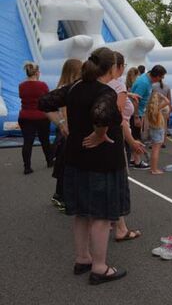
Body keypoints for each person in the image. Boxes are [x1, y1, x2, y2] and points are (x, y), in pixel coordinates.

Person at [39, 47, 129, 285]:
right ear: (111, 68)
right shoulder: (105, 91)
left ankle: (83, 258)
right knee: (100, 215)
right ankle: (100, 268)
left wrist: (61, 122)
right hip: (101, 160)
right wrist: (100, 133)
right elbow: (101, 115)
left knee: (81, 212)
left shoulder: (75, 87)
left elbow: (44, 101)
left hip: (76, 157)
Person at [108, 52, 146, 240]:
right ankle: (120, 226)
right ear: (120, 67)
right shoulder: (118, 85)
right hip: (115, 139)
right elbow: (120, 119)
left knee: (106, 181)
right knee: (117, 182)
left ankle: (110, 221)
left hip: (105, 138)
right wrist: (132, 141)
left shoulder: (100, 84)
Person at [51, 58, 82, 210]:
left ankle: (63, 194)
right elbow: (64, 112)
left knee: (66, 164)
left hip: (68, 131)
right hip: (68, 132)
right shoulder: (66, 88)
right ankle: (61, 195)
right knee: (65, 165)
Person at [130, 65, 167, 169]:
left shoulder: (147, 81)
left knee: (135, 135)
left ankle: (133, 159)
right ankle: (137, 161)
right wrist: (136, 116)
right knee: (137, 136)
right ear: (156, 76)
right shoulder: (144, 83)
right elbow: (135, 99)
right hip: (136, 113)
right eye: (161, 77)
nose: (161, 80)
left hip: (140, 111)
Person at [18, 62, 51, 175]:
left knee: (27, 142)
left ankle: (27, 167)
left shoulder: (21, 86)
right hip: (41, 116)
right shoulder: (43, 85)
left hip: (25, 116)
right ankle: (50, 161)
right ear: (37, 72)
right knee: (45, 140)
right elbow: (47, 99)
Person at [146, 90, 170, 174]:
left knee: (154, 149)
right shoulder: (158, 108)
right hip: (158, 129)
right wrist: (162, 96)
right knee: (156, 150)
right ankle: (154, 169)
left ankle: (153, 168)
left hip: (153, 128)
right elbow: (167, 101)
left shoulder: (150, 108)